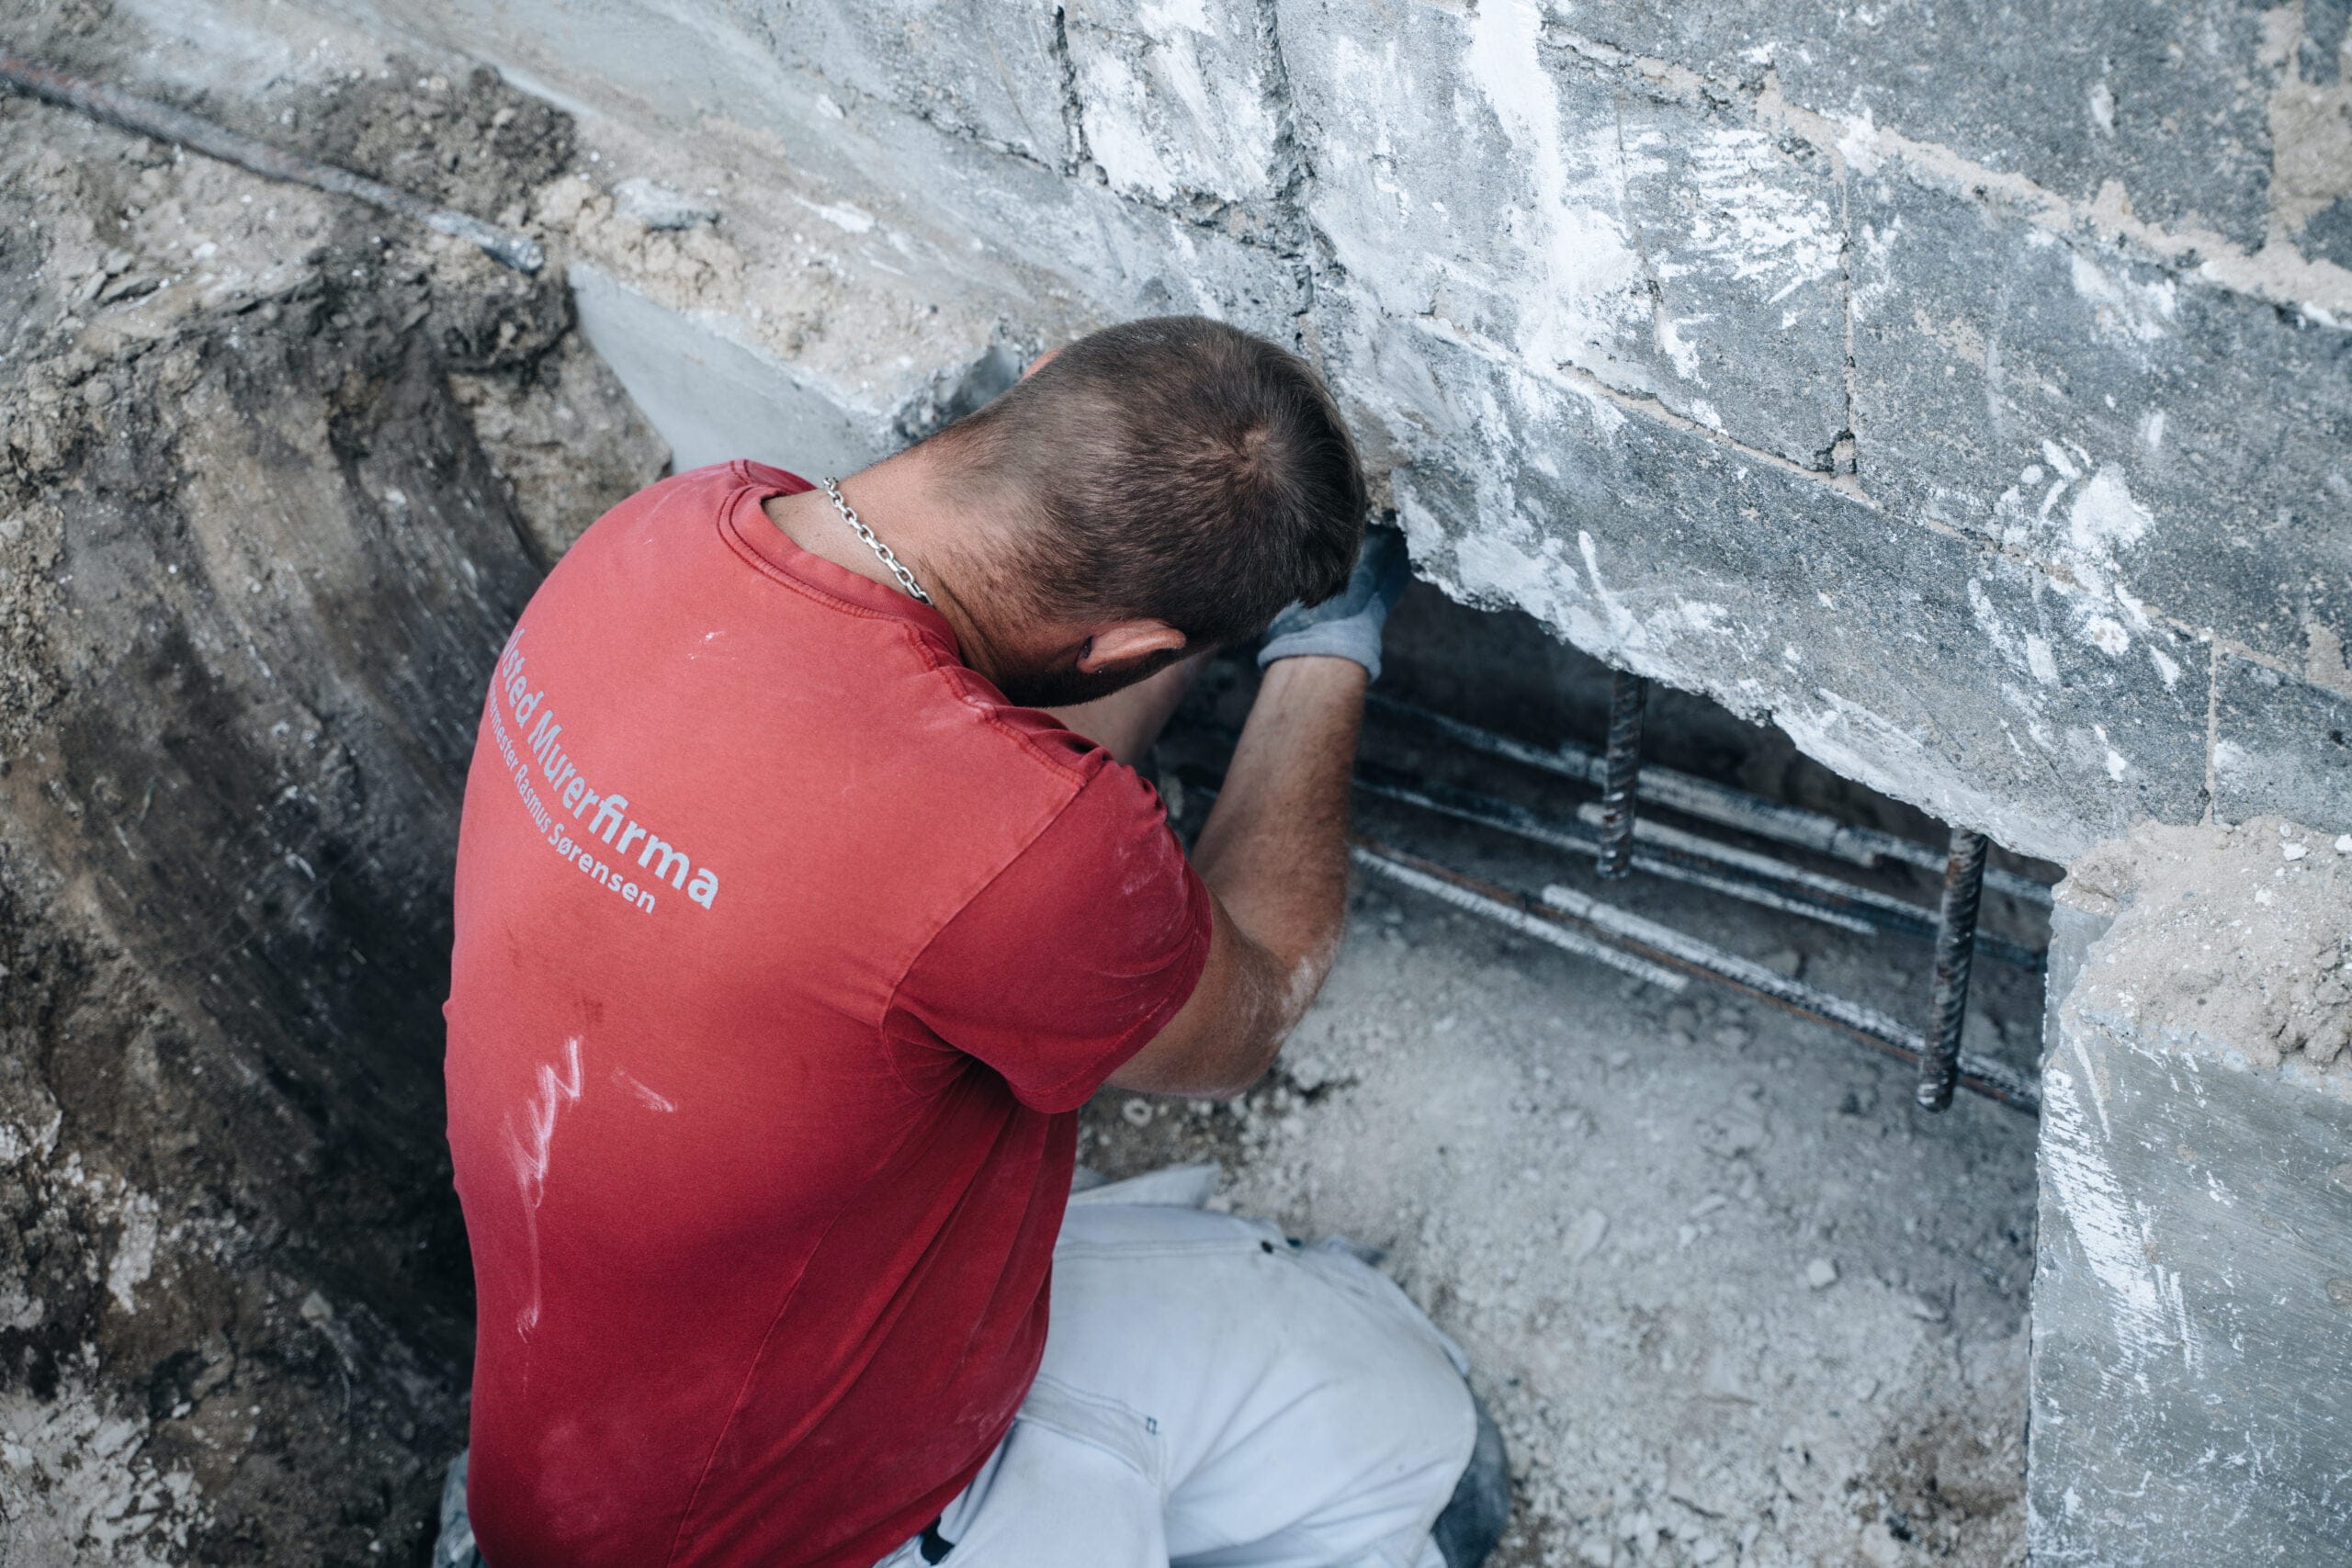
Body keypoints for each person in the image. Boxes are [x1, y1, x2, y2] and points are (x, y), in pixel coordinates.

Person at [439, 316, 1508, 1568]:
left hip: (577, 1445)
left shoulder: (677, 530)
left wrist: (1173, 620)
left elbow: (955, 813)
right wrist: (1327, 652)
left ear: (1043, 374)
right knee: (1418, 1449)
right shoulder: (1025, 850)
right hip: (817, 1520)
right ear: (1128, 651)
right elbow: (1246, 1012)